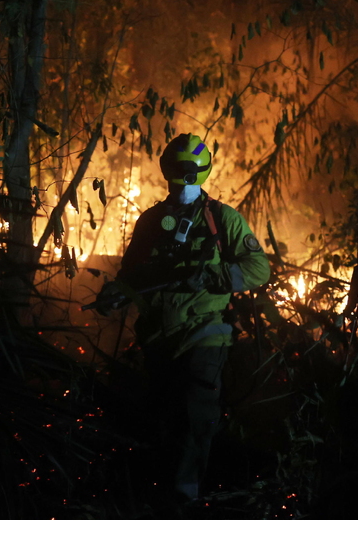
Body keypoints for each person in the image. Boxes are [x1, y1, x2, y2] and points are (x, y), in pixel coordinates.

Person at [95, 133, 270, 502]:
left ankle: (184, 503)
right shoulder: (151, 221)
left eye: (187, 172)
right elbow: (133, 275)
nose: (182, 180)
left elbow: (258, 268)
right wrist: (115, 294)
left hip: (205, 332)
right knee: (162, 419)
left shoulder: (223, 219)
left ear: (200, 172)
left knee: (195, 416)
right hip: (159, 337)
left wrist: (213, 277)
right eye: (176, 172)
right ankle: (160, 497)